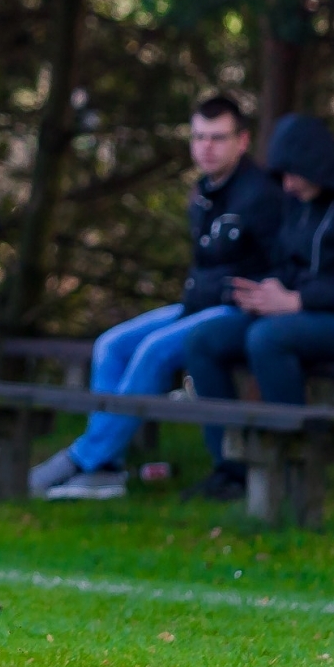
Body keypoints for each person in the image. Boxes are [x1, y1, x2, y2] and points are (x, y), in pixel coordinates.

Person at [26, 96, 284, 500]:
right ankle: (106, 471)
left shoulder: (262, 196)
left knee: (153, 350)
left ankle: (82, 458)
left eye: (218, 138)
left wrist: (273, 296)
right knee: (110, 345)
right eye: (199, 137)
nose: (206, 147)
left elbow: (284, 265)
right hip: (196, 305)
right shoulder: (203, 191)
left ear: (243, 140)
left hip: (239, 311)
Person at [180, 112, 334, 500]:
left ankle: (291, 464)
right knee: (204, 340)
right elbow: (291, 262)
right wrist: (268, 291)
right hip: (305, 315)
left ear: (317, 164)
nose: (287, 185)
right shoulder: (301, 198)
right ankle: (232, 469)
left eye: (293, 174)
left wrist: (296, 300)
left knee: (268, 339)